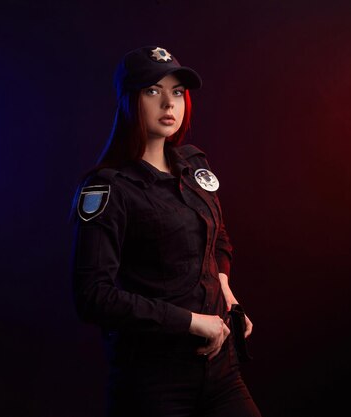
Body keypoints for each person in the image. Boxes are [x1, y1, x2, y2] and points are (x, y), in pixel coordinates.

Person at [71, 45, 261, 417]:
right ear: (129, 101)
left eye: (176, 92)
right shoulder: (109, 189)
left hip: (220, 370)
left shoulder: (193, 165)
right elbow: (92, 295)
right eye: (152, 91)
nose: (168, 105)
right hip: (154, 381)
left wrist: (226, 292)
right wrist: (192, 322)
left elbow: (218, 237)